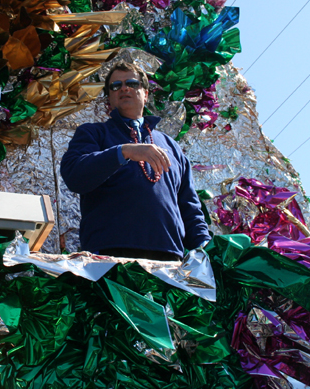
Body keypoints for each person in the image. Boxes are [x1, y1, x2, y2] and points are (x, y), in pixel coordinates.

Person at [60, 60, 211, 261]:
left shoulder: (171, 146)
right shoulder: (94, 133)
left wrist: (205, 247)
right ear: (109, 99)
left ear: (146, 93)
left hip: (168, 258)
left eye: (131, 83)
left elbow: (189, 207)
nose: (124, 88)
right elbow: (74, 175)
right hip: (109, 254)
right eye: (115, 86)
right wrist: (124, 151)